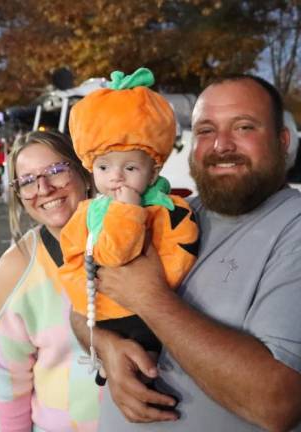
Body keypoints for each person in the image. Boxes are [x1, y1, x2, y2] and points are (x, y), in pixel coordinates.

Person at [73, 75, 301, 431]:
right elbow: (80, 308)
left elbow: (277, 401)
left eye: (244, 127)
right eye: (206, 131)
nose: (221, 145)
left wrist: (149, 298)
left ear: (282, 141)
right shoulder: (171, 214)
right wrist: (108, 348)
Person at [58, 68, 199, 385]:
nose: (116, 177)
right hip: (102, 316)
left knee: (149, 372)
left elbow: (119, 255)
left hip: (147, 322)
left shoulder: (168, 211)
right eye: (104, 166)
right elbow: (72, 261)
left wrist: (127, 213)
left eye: (131, 167)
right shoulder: (87, 212)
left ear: (153, 171)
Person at [0, 130, 101, 431]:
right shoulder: (17, 267)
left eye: (56, 170)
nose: (44, 188)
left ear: (84, 173)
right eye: (27, 181)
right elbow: (7, 381)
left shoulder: (133, 239)